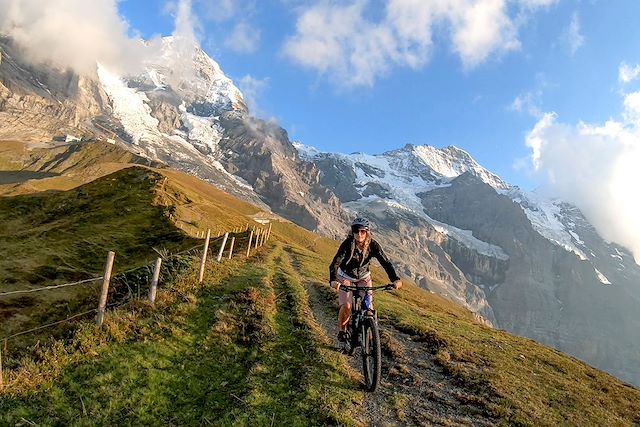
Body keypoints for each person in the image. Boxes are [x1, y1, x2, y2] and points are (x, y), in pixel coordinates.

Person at [329, 217, 402, 342]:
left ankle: (369, 339)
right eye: (357, 231)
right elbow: (335, 263)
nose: (359, 234)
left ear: (367, 232)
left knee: (369, 309)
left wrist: (395, 279)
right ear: (353, 232)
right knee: (346, 305)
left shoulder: (373, 245)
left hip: (364, 277)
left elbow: (385, 262)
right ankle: (342, 331)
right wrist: (333, 280)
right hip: (345, 276)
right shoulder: (347, 244)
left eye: (363, 231)